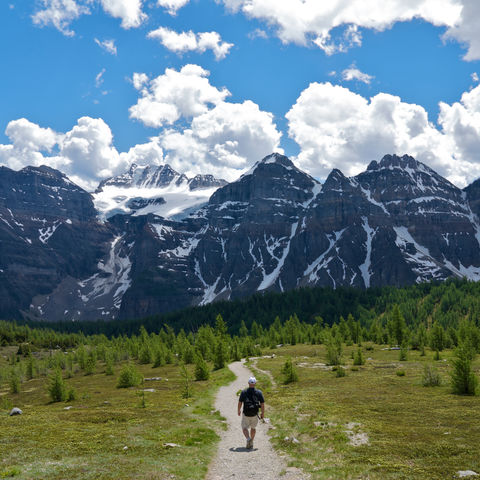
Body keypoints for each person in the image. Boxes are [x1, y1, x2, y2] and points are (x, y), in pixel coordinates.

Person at [237, 376, 265, 449]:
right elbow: (262, 404)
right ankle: (251, 441)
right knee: (253, 428)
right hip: (255, 414)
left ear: (248, 383)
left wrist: (238, 410)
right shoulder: (259, 392)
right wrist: (262, 413)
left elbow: (240, 402)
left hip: (246, 413)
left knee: (244, 428)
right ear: (255, 383)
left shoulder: (244, 392)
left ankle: (248, 439)